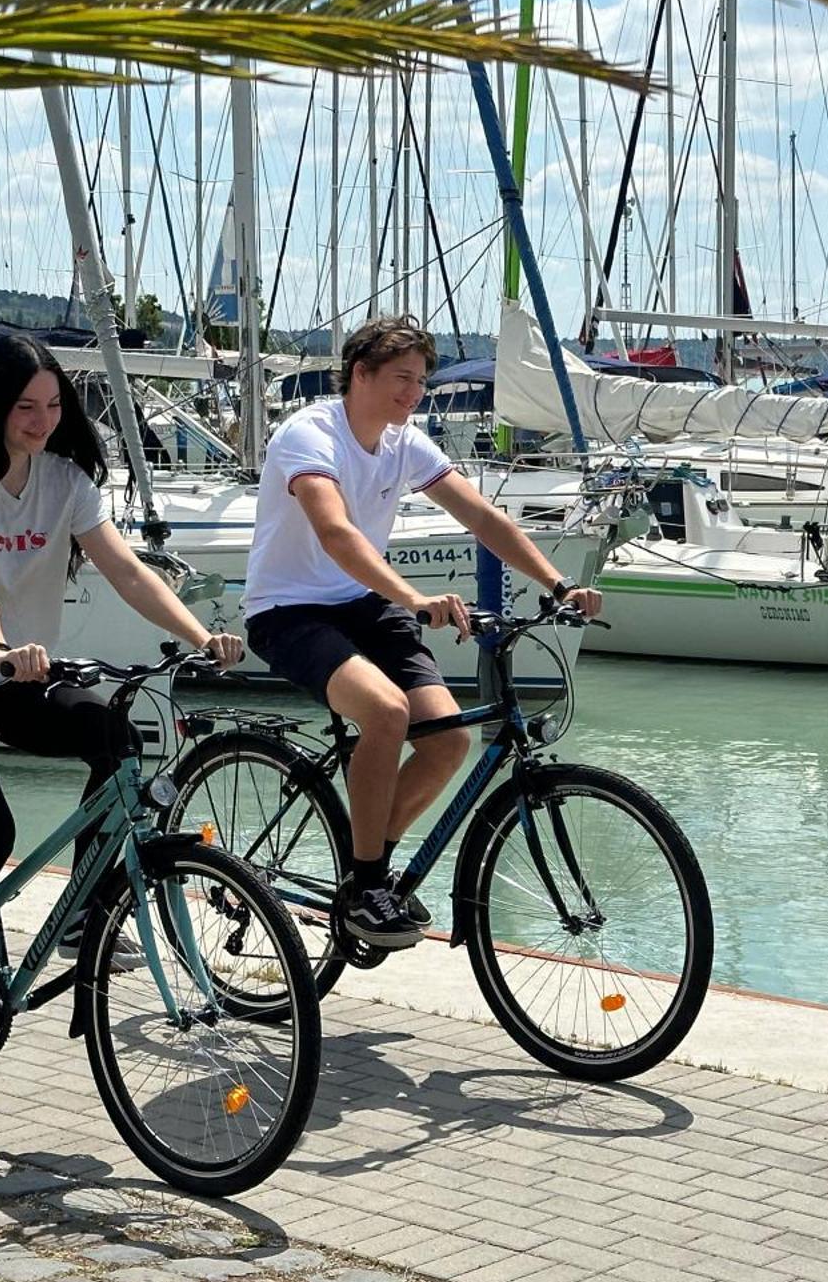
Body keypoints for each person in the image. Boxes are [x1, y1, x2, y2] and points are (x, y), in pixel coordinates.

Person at [0, 335, 244, 1087]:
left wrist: (198, 637)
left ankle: (87, 909)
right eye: (25, 406)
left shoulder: (65, 482)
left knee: (114, 735)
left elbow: (126, 568)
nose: (42, 419)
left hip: (8, 680)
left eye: (54, 405)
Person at [242, 315, 602, 950]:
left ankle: (364, 867)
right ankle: (372, 883)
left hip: (363, 602)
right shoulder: (309, 433)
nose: (414, 393)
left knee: (448, 740)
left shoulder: (405, 442)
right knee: (385, 713)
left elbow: (483, 516)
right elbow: (335, 531)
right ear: (362, 374)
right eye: (402, 378)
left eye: (422, 381)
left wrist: (558, 585)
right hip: (289, 611)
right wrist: (411, 597)